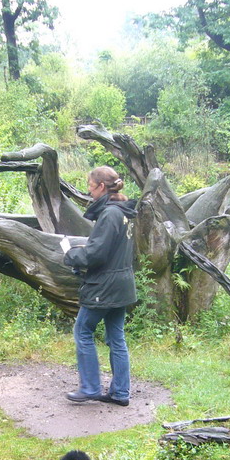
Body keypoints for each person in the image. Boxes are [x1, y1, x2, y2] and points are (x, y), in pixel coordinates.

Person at [58, 166, 137, 407]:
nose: (89, 192)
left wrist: (71, 255)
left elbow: (97, 254)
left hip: (104, 286)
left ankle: (90, 387)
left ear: (101, 187)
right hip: (122, 284)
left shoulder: (110, 214)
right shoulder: (124, 212)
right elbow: (109, 249)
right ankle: (120, 393)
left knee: (83, 330)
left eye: (91, 187)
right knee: (116, 337)